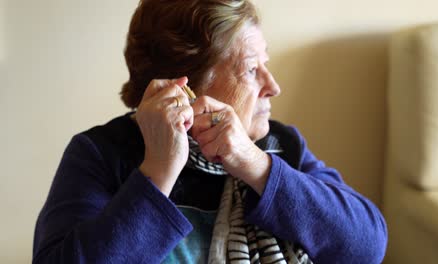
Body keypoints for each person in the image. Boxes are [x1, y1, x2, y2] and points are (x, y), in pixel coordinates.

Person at [33, 0, 388, 263]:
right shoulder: (102, 153)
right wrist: (158, 173)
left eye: (266, 63)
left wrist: (254, 164)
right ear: (184, 87)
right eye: (251, 70)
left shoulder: (281, 147)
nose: (273, 85)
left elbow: (368, 246)